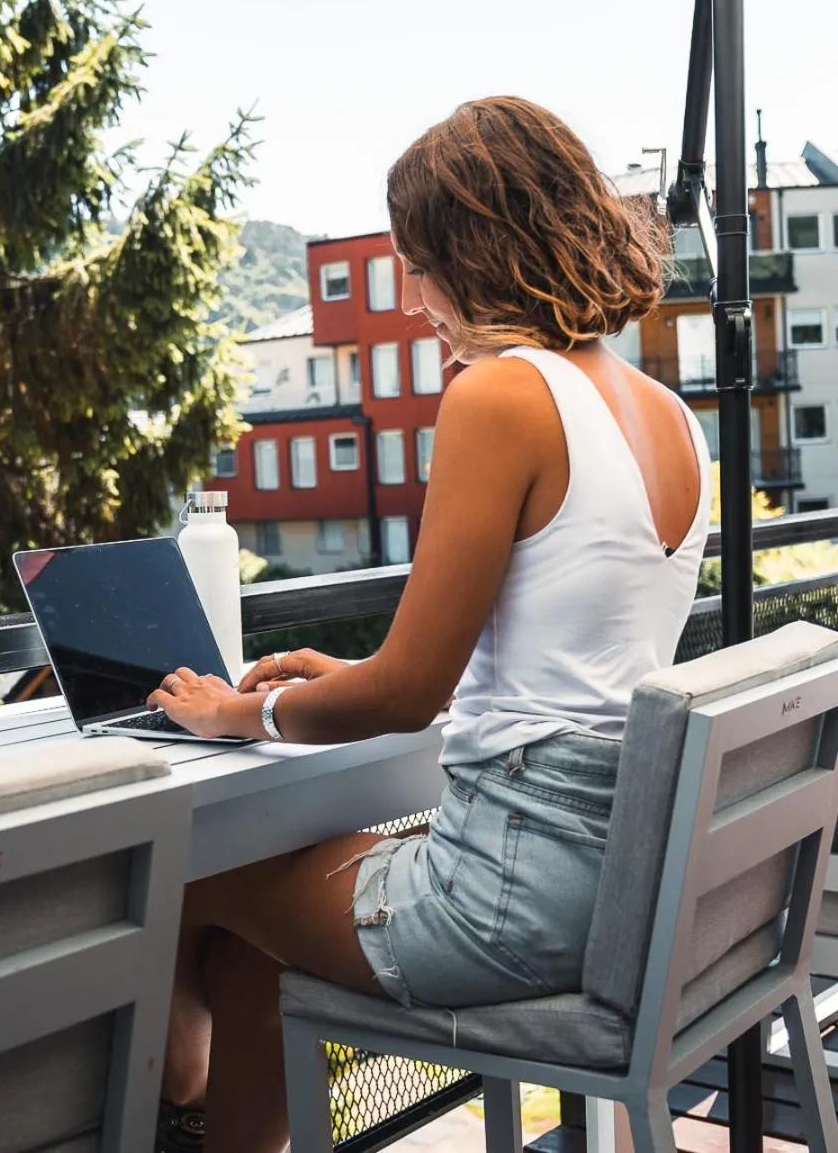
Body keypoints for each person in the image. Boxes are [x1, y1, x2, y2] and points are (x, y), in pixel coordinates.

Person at [149, 97, 711, 1153]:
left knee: (188, 887)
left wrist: (240, 713)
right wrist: (347, 669)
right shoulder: (665, 411)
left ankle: (173, 1101)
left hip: (512, 894)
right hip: (622, 878)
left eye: (415, 264)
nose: (413, 301)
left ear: (475, 250)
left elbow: (407, 698)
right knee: (247, 956)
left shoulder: (498, 395)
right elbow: (561, 665)